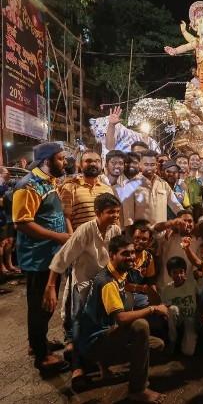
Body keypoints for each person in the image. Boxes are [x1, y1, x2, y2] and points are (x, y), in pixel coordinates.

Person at [42, 193, 122, 386]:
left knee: (104, 326)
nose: (115, 216)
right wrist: (51, 286)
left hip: (105, 286)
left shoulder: (115, 230)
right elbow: (62, 258)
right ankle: (77, 369)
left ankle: (103, 367)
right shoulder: (85, 230)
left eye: (117, 212)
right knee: (79, 326)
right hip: (83, 285)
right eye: (111, 212)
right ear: (97, 213)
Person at [78, 235, 167, 403]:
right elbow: (121, 318)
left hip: (99, 336)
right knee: (140, 326)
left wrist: (143, 289)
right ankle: (138, 389)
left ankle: (105, 367)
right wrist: (153, 308)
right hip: (93, 345)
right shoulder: (107, 282)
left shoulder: (117, 272)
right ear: (112, 255)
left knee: (156, 345)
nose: (131, 257)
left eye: (132, 253)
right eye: (125, 253)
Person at [13, 142, 71, 374]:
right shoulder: (28, 186)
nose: (64, 162)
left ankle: (37, 343)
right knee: (41, 305)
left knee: (43, 305)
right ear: (47, 161)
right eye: (60, 159)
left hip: (50, 254)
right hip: (37, 257)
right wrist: (59, 237)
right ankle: (42, 358)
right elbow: (22, 223)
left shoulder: (49, 181)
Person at [59, 150, 114, 233]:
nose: (93, 164)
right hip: (81, 242)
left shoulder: (107, 189)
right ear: (80, 165)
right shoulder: (69, 187)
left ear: (101, 165)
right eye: (88, 161)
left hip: (105, 242)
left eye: (97, 161)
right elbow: (65, 218)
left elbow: (114, 216)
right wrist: (71, 240)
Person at [126, 150, 183, 225]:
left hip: (161, 232)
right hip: (141, 233)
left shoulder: (163, 184)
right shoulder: (130, 185)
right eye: (146, 164)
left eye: (152, 164)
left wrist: (184, 217)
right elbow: (128, 216)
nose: (149, 168)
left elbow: (175, 205)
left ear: (156, 165)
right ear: (140, 165)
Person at [161, 256, 199, 356]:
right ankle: (173, 341)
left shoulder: (192, 284)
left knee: (188, 352)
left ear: (185, 272)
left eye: (181, 271)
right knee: (172, 309)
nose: (179, 275)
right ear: (170, 274)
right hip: (177, 320)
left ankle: (188, 339)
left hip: (191, 319)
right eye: (175, 272)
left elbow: (200, 298)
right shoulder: (167, 289)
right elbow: (165, 307)